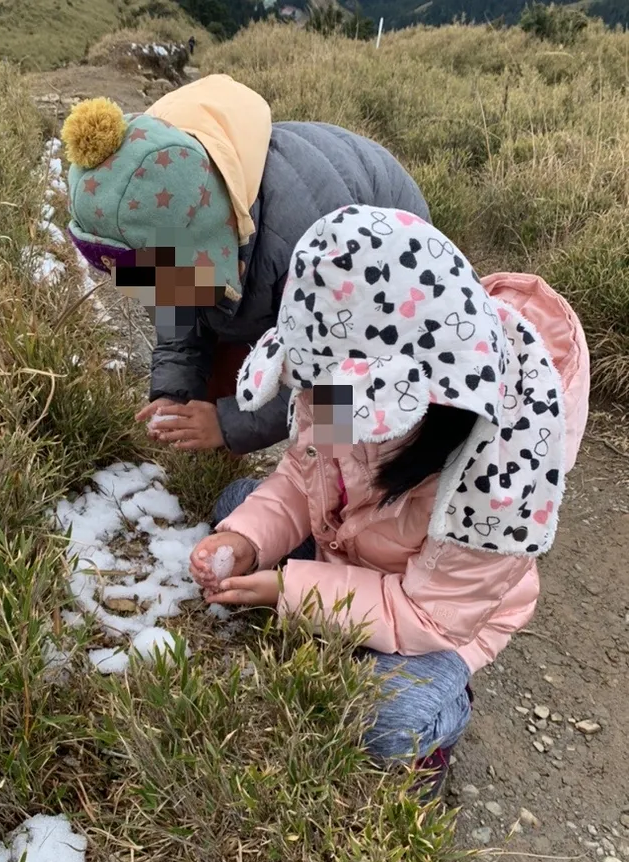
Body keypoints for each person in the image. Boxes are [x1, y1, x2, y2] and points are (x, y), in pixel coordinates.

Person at [189, 205, 589, 797]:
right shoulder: (341, 391)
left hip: (438, 615)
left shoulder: (495, 484)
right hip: (351, 549)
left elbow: (430, 614)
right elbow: (300, 478)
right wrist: (246, 537)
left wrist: (288, 589)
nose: (320, 408)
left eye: (338, 397)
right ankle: (313, 601)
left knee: (388, 718)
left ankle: (441, 715)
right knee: (238, 504)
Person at [61, 75, 429, 455]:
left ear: (208, 246)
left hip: (384, 280)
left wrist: (228, 424)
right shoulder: (176, 217)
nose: (152, 289)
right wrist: (175, 391)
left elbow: (338, 366)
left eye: (161, 277)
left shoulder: (311, 248)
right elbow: (177, 310)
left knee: (342, 430)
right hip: (260, 262)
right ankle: (231, 454)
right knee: (219, 365)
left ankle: (340, 474)